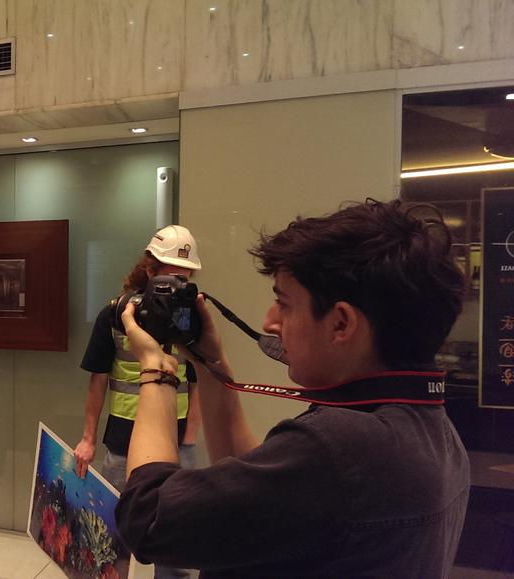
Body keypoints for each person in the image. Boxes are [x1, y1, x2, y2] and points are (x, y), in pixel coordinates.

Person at [115, 199, 470, 578]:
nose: (270, 322)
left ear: (341, 323)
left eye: (283, 303)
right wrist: (210, 362)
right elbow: (258, 493)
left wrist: (156, 367)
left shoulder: (338, 448)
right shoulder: (436, 434)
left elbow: (148, 518)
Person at [74, 225, 202, 578]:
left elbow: (198, 380)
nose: (178, 284)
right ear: (149, 271)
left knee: (175, 538)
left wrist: (191, 439)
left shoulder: (190, 316)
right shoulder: (117, 314)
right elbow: (97, 380)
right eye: (171, 276)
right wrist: (87, 438)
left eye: (185, 277)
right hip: (123, 440)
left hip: (177, 440)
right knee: (117, 535)